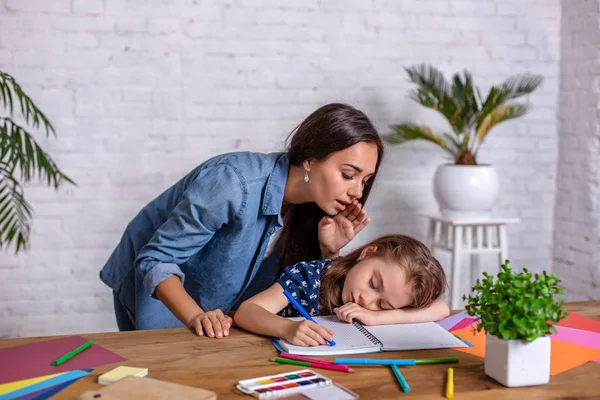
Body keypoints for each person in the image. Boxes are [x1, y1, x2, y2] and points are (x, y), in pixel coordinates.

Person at [100, 103, 384, 338]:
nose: (357, 191)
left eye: (365, 180)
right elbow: (156, 260)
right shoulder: (233, 183)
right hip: (158, 286)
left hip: (221, 303)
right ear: (309, 160)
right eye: (348, 175)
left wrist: (328, 251)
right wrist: (199, 317)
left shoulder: (313, 206)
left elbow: (295, 287)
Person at [234, 234, 449, 346]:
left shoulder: (373, 310)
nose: (368, 300)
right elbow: (247, 311)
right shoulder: (308, 277)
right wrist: (287, 329)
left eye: (383, 304)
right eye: (374, 284)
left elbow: (441, 309)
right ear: (368, 253)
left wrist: (377, 318)